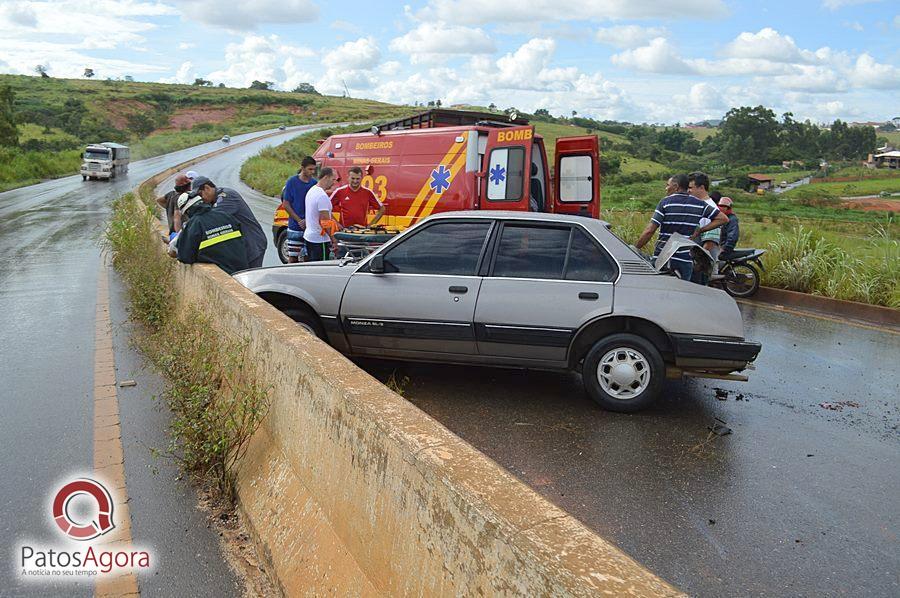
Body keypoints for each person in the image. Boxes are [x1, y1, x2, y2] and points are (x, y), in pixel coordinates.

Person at [635, 173, 727, 283]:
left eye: (667, 185)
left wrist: (636, 248)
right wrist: (700, 230)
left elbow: (649, 231)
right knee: (682, 294)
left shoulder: (665, 202)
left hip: (663, 258)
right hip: (685, 260)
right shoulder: (700, 204)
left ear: (676, 186)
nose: (666, 188)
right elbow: (723, 219)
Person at [190, 176, 267, 268]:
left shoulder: (226, 196)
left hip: (253, 243)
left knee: (250, 277)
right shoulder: (213, 200)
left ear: (207, 188)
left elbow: (211, 218)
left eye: (200, 195)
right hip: (242, 245)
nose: (201, 198)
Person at [175, 191, 249, 274]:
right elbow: (244, 240)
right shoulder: (226, 215)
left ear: (187, 211)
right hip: (242, 272)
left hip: (222, 274)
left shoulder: (194, 224)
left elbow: (185, 257)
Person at [688, 172, 724, 283]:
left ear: (702, 188)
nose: (688, 191)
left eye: (691, 188)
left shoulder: (710, 209)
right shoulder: (700, 206)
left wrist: (696, 264)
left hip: (700, 267)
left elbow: (709, 244)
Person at [282, 156, 318, 263]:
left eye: (314, 169)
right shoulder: (292, 182)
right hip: (295, 227)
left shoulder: (314, 184)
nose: (312, 172)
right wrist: (299, 220)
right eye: (310, 169)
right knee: (293, 257)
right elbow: (286, 204)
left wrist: (308, 220)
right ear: (302, 168)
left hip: (310, 227)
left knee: (308, 258)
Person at [303, 167, 338, 261]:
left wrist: (337, 224)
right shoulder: (322, 196)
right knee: (321, 269)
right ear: (326, 177)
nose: (334, 183)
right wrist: (333, 239)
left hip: (309, 236)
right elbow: (325, 222)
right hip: (320, 240)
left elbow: (324, 214)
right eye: (333, 179)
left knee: (312, 267)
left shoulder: (312, 190)